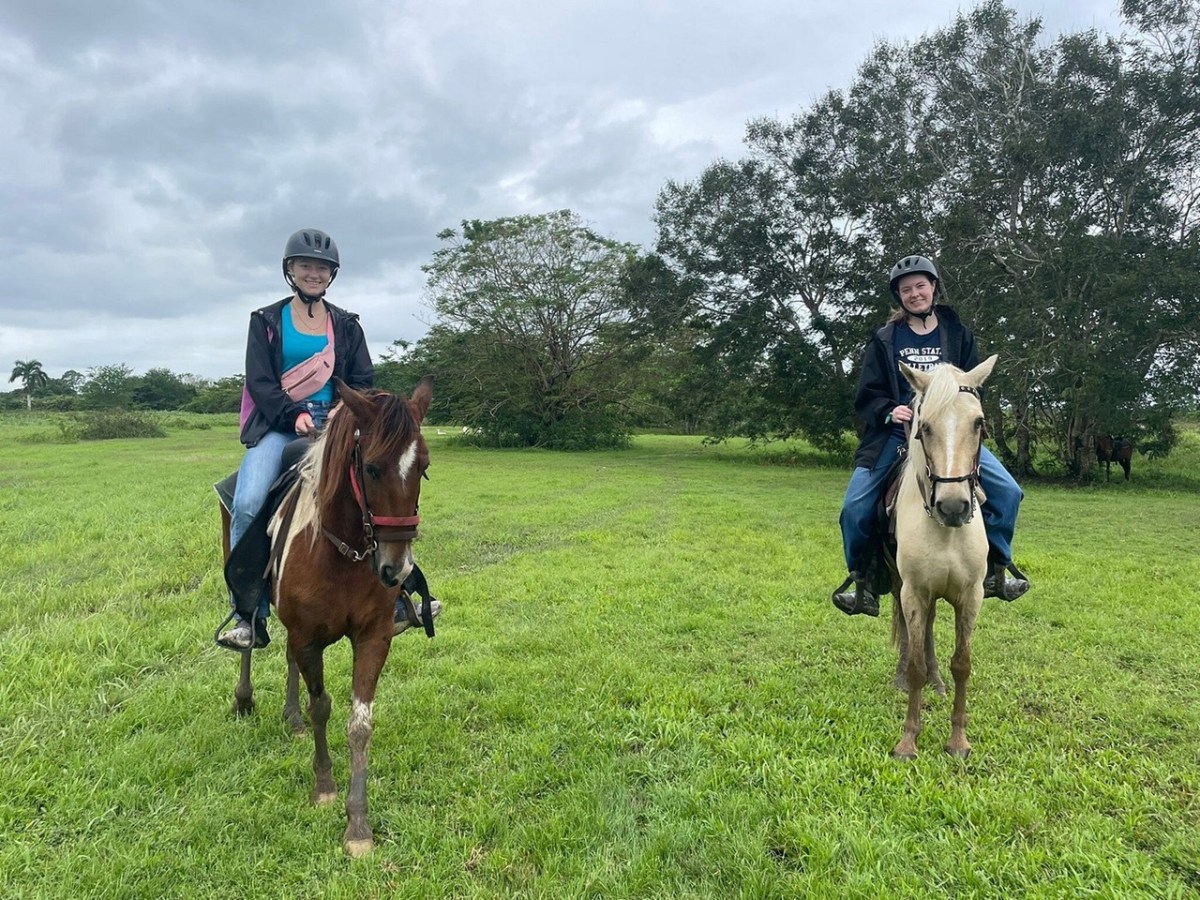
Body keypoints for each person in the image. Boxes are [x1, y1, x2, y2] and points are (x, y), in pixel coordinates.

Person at [218, 228, 439, 649]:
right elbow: (261, 383)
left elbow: (362, 379)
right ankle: (248, 613)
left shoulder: (346, 324)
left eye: (321, 268)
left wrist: (341, 410)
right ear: (291, 271)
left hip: (339, 423)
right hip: (280, 427)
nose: (313, 274)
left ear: (331, 275)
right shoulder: (264, 321)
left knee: (384, 483)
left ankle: (400, 594)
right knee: (246, 502)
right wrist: (294, 414)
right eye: (306, 266)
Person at [832, 254, 1030, 617]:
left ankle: (997, 570)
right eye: (906, 290)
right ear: (900, 297)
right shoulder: (885, 339)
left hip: (951, 434)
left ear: (933, 288)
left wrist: (959, 412)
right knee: (854, 508)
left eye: (920, 286)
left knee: (1008, 493)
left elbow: (973, 387)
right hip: (896, 434)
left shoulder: (957, 333)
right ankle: (863, 582)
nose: (914, 293)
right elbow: (867, 393)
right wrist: (889, 411)